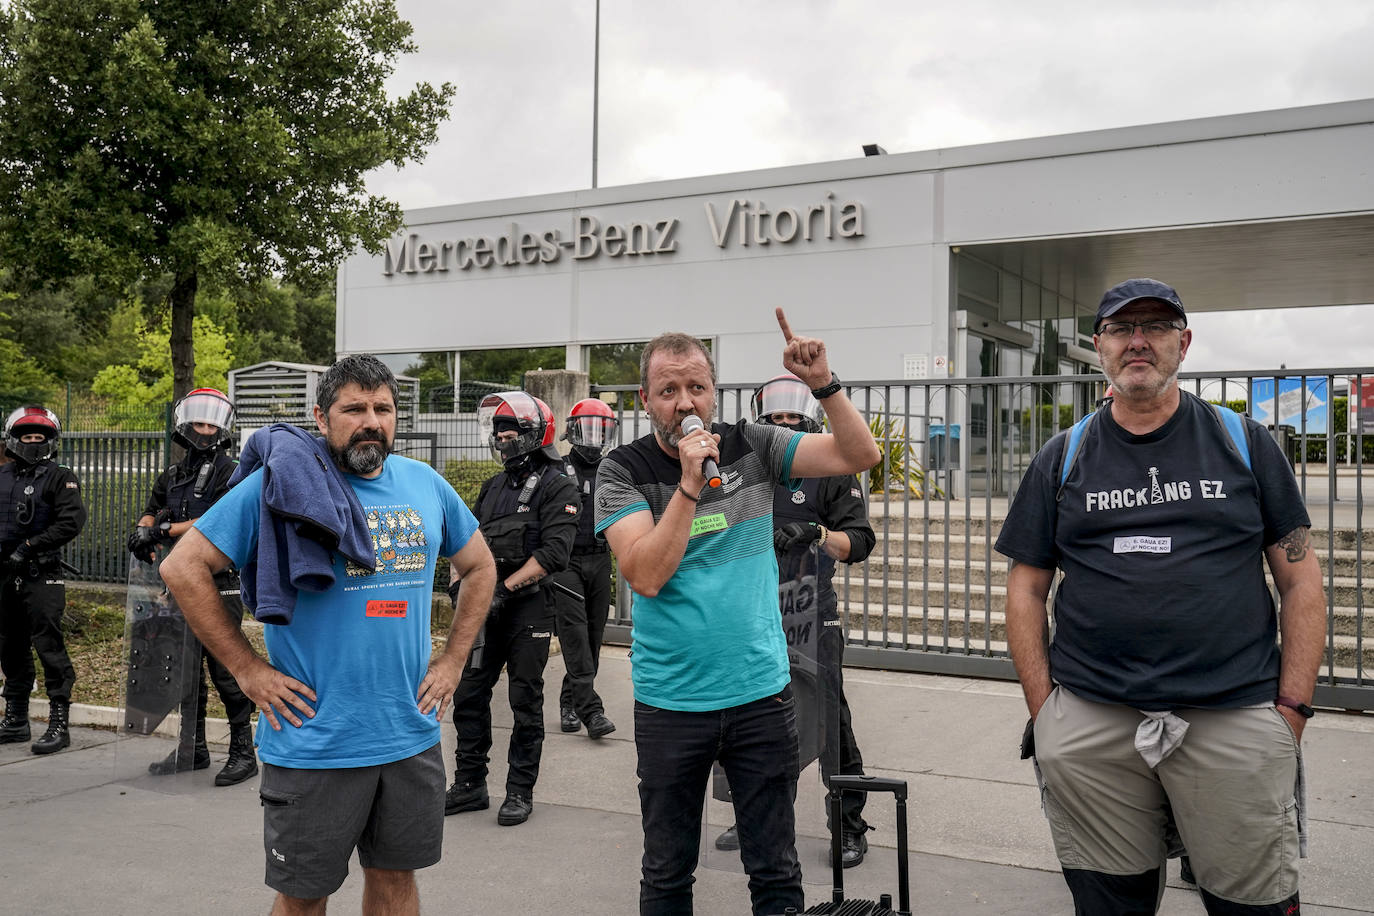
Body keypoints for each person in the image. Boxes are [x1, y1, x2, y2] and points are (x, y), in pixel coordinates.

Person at [995, 278, 1326, 915]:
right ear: (1099, 347)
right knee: (1110, 905)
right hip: (1094, 725)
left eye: (1155, 327)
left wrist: (1291, 712)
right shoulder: (1062, 457)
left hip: (1231, 716)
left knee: (1252, 904)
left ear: (1184, 342)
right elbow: (1027, 587)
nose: (1138, 341)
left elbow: (1300, 577)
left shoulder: (1245, 443)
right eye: (1121, 329)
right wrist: (1048, 716)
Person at [160, 355, 495, 915]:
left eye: (383, 408)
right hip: (315, 739)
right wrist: (248, 668)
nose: (371, 421)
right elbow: (182, 567)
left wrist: (454, 659)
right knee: (302, 898)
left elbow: (481, 567)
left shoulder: (425, 483)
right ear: (321, 416)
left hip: (408, 733)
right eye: (354, 408)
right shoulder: (279, 486)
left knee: (395, 881)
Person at [595, 310, 881, 916]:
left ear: (714, 392)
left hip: (760, 694)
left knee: (776, 872)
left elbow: (860, 454)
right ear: (645, 399)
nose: (684, 402)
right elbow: (645, 573)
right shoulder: (622, 469)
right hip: (672, 703)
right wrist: (689, 485)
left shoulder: (752, 444)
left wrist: (825, 385)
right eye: (668, 390)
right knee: (668, 874)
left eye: (696, 387)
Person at [713, 373, 876, 869]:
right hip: (749, 607)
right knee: (747, 716)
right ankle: (752, 815)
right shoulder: (744, 469)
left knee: (827, 717)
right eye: (775, 417)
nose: (784, 423)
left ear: (807, 420)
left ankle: (848, 824)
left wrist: (819, 532)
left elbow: (861, 542)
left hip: (809, 608)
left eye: (793, 416)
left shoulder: (828, 469)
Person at [445, 391, 580, 827]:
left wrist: (503, 588)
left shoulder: (559, 483)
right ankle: (470, 784)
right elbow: (466, 542)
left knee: (525, 697)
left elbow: (555, 553)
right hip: (486, 606)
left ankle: (520, 790)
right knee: (469, 693)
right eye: (498, 429)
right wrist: (459, 587)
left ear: (534, 434)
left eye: (511, 429)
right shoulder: (494, 486)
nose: (501, 436)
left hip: (530, 608)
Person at [127, 387, 258, 786]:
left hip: (220, 583)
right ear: (185, 425)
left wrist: (166, 529)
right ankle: (192, 748)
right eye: (198, 422)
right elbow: (152, 508)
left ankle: (243, 751)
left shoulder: (231, 470)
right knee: (183, 670)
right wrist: (143, 529)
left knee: (226, 669)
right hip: (177, 583)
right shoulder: (173, 474)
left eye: (210, 424)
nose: (204, 431)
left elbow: (219, 518)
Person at [0, 406, 86, 755]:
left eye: (39, 437)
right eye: (27, 436)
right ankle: (17, 719)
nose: (33, 442)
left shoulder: (60, 476)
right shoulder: (3, 476)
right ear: (14, 439)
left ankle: (58, 723)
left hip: (41, 573)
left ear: (50, 441)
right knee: (9, 645)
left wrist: (30, 546)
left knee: (48, 644)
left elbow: (71, 522)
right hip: (5, 573)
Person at [552, 397, 619, 740]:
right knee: (575, 635)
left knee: (592, 639)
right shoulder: (557, 468)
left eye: (601, 432)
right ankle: (591, 711)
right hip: (565, 563)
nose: (594, 440)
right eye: (587, 431)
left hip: (599, 558)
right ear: (572, 432)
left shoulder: (614, 469)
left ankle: (569, 702)